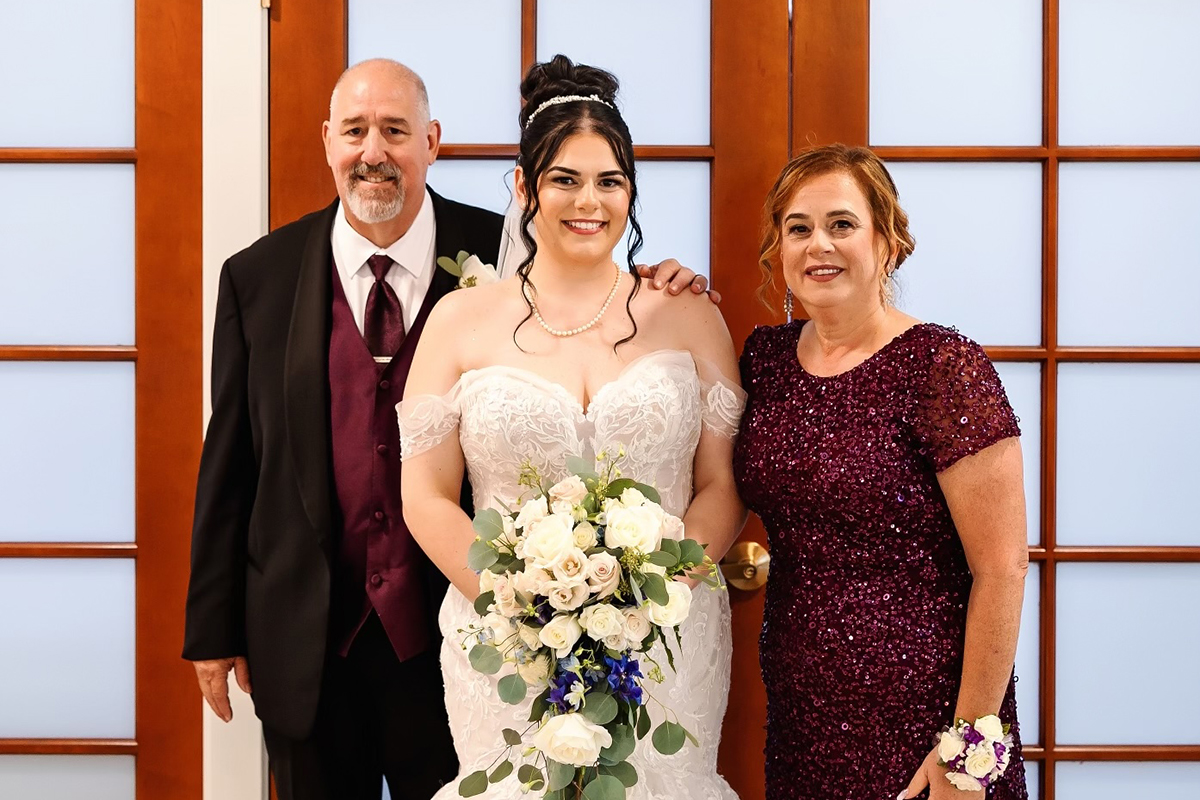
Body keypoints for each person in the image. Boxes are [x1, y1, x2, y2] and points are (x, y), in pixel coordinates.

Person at [182, 58, 709, 800]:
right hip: (305, 632)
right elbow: (230, 456)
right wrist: (213, 625)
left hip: (461, 631)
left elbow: (594, 289)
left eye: (396, 131)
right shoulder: (256, 276)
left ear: (431, 141)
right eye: (356, 131)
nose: (374, 151)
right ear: (327, 140)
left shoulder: (509, 250)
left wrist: (666, 282)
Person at [398, 55, 748, 799]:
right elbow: (426, 497)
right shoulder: (459, 321)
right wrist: (522, 604)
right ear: (524, 187)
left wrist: (652, 599)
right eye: (565, 179)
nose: (589, 201)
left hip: (665, 641)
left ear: (630, 191)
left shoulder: (689, 314)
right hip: (508, 639)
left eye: (609, 181)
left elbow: (722, 482)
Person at [732, 144, 1029, 800]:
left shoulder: (945, 368)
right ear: (778, 249)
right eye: (799, 228)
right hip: (802, 721)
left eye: (842, 224)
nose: (819, 246)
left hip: (929, 721)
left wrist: (969, 752)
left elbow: (1003, 568)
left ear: (888, 241)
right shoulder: (766, 360)